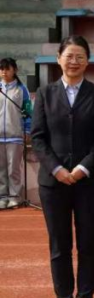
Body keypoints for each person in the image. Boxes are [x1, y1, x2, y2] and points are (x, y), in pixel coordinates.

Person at [31, 36, 94, 298]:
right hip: (53, 183)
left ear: (87, 61)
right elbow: (38, 137)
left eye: (80, 56)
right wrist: (56, 169)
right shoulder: (45, 93)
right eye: (69, 56)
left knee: (88, 241)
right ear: (58, 59)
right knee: (59, 242)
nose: (74, 61)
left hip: (88, 181)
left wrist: (82, 168)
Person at [0, 57, 32, 209]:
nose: (4, 72)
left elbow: (28, 111)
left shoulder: (21, 89)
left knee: (14, 169)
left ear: (15, 70)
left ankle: (15, 197)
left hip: (15, 135)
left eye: (7, 69)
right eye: (1, 69)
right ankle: (2, 197)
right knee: (1, 169)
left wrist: (27, 130)